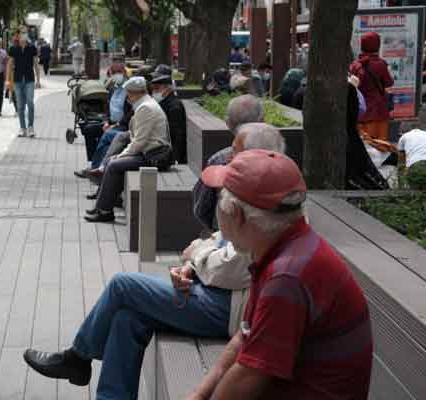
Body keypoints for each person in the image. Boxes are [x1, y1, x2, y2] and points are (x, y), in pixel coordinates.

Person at [186, 149, 373, 400]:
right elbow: (244, 338)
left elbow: (248, 375)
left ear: (237, 214)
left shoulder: (286, 277)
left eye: (219, 199)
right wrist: (198, 396)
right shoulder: (286, 249)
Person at [23, 218, 254, 399]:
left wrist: (196, 255)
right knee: (128, 316)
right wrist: (190, 266)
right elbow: (212, 243)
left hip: (226, 309)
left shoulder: (261, 222)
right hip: (208, 290)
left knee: (122, 285)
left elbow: (224, 268)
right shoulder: (245, 209)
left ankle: (77, 358)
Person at [84, 77, 172, 223]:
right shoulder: (144, 103)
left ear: (134, 93)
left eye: (128, 94)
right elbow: (137, 138)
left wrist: (120, 156)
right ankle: (102, 205)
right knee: (115, 161)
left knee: (114, 165)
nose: (127, 97)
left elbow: (140, 141)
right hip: (149, 150)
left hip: (154, 155)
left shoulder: (145, 108)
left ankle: (105, 211)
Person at [193, 95, 264, 230]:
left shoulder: (218, 160)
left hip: (229, 235)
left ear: (228, 123)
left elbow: (201, 209)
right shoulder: (280, 158)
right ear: (263, 120)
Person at [75, 63, 130, 178]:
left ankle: (96, 168)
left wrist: (116, 125)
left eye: (118, 73)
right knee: (88, 129)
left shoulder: (129, 89)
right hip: (112, 123)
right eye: (113, 74)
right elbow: (108, 109)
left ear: (124, 73)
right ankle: (93, 162)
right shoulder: (113, 88)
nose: (115, 76)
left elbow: (130, 114)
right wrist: (107, 122)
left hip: (124, 125)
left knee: (106, 135)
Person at [350, 32, 395, 142]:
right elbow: (389, 83)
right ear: (377, 45)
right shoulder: (380, 64)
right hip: (379, 112)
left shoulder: (355, 65)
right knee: (380, 146)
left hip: (360, 111)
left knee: (365, 146)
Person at [6, 33, 41, 137]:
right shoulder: (13, 49)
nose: (23, 38)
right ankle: (22, 128)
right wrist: (7, 80)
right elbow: (9, 64)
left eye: (25, 36)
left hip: (29, 79)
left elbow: (36, 64)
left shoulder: (32, 48)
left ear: (27, 38)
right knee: (20, 105)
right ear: (18, 38)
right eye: (21, 36)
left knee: (30, 102)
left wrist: (38, 80)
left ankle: (30, 127)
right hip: (17, 80)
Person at [150, 70, 188, 164]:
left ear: (167, 89)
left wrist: (175, 158)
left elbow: (178, 135)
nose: (154, 92)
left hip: (168, 153)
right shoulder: (162, 103)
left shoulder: (174, 106)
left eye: (157, 88)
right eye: (153, 89)